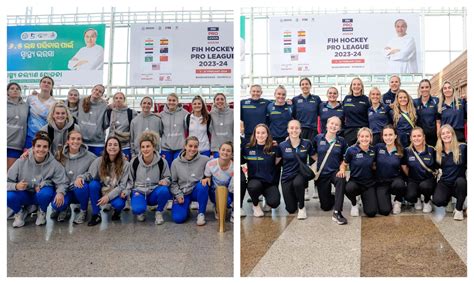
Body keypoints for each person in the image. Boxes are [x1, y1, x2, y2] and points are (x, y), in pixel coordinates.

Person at [7, 131, 68, 228]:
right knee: (8, 195)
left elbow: (62, 182)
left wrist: (60, 192)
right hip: (24, 194)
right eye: (38, 146)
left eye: (45, 147)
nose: (41, 149)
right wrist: (16, 186)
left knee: (47, 192)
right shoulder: (21, 161)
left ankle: (42, 211)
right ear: (33, 147)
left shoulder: (54, 164)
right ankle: (20, 212)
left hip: (41, 195)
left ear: (48, 148)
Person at [79, 136, 131, 226]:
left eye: (115, 145)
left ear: (119, 148)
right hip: (102, 190)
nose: (112, 147)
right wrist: (80, 177)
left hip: (115, 192)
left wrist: (108, 197)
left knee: (119, 204)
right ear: (106, 147)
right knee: (93, 184)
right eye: (110, 145)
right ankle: (96, 214)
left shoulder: (125, 164)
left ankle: (117, 212)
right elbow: (90, 175)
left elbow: (122, 185)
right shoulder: (99, 161)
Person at [277, 120, 317, 220]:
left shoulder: (307, 143)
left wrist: (314, 170)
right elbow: (275, 161)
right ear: (288, 130)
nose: (294, 130)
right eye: (291, 128)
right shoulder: (282, 145)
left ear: (300, 130)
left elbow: (316, 158)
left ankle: (302, 207)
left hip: (301, 173)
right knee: (290, 209)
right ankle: (295, 199)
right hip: (286, 176)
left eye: (296, 128)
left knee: (298, 183)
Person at [129, 131, 172, 224]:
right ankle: (141, 210)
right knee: (137, 209)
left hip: (154, 192)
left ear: (153, 147)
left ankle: (159, 211)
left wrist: (165, 181)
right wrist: (132, 192)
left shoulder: (162, 162)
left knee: (164, 190)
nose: (145, 149)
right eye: (143, 147)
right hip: (139, 191)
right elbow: (130, 179)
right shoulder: (134, 161)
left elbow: (168, 177)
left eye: (148, 146)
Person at [55, 131, 97, 224]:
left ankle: (83, 211)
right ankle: (65, 209)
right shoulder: (59, 155)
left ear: (82, 141)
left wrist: (82, 177)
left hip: (79, 190)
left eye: (78, 139)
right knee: (56, 205)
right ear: (68, 141)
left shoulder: (90, 157)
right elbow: (54, 173)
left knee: (81, 185)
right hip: (65, 189)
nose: (76, 141)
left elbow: (93, 173)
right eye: (73, 139)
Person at [313, 116, 348, 225]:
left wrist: (342, 169)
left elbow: (345, 158)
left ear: (339, 128)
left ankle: (337, 212)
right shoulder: (318, 138)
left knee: (341, 179)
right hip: (322, 174)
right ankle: (333, 197)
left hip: (334, 172)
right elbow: (312, 152)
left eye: (336, 125)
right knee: (325, 206)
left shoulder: (341, 141)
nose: (333, 126)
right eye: (332, 123)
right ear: (327, 125)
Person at [242, 124, 281, 217]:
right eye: (258, 133)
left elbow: (278, 161)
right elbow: (241, 161)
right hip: (255, 181)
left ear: (267, 134)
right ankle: (255, 205)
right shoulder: (247, 148)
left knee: (275, 203)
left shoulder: (273, 147)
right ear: (254, 134)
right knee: (253, 187)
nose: (260, 135)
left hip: (269, 183)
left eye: (263, 133)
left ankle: (267, 199)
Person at [170, 136, 210, 225]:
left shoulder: (205, 160)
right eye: (190, 146)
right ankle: (185, 208)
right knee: (178, 219)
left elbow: (215, 166)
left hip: (196, 191)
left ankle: (201, 213)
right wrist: (178, 194)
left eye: (195, 147)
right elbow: (173, 183)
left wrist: (208, 177)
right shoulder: (175, 163)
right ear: (185, 146)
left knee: (203, 185)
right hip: (183, 193)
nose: (193, 149)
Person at [432, 125, 467, 220]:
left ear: (453, 134)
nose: (446, 135)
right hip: (445, 182)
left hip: (459, 184)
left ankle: (458, 209)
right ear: (440, 137)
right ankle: (448, 199)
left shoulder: (463, 148)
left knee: (461, 182)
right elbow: (435, 168)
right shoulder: (438, 151)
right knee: (437, 201)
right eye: (443, 133)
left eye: (448, 132)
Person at [341, 127, 377, 218]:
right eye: (362, 136)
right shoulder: (351, 150)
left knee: (371, 212)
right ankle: (354, 204)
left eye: (367, 136)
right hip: (355, 182)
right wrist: (342, 171)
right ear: (358, 137)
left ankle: (364, 197)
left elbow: (374, 165)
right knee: (348, 188)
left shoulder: (373, 150)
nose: (364, 139)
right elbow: (344, 164)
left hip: (369, 184)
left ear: (371, 138)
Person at [401, 127, 438, 213]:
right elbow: (404, 166)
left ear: (424, 137)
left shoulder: (431, 150)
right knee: (410, 196)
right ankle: (417, 199)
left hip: (428, 180)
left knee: (425, 186)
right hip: (413, 180)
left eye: (419, 136)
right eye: (414, 136)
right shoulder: (407, 151)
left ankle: (426, 201)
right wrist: (411, 176)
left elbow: (436, 166)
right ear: (410, 138)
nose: (416, 138)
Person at [374, 125, 406, 215]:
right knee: (384, 211)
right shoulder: (378, 148)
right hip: (381, 183)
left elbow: (405, 168)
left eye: (390, 135)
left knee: (400, 184)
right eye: (386, 135)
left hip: (395, 181)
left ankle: (398, 201)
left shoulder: (401, 150)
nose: (388, 137)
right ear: (382, 136)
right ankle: (387, 198)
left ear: (395, 136)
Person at [203, 141, 234, 221]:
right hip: (215, 192)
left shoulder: (234, 166)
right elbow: (208, 178)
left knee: (228, 201)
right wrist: (207, 179)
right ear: (219, 151)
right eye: (223, 150)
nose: (225, 152)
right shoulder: (210, 164)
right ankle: (217, 207)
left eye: (228, 151)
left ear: (232, 154)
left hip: (229, 192)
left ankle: (233, 210)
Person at [77, 84, 108, 156]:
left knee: (96, 165)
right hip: (81, 142)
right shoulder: (81, 101)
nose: (97, 92)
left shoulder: (104, 105)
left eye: (100, 92)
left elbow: (105, 123)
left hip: (97, 143)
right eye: (96, 90)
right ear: (92, 90)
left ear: (102, 95)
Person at [25, 76, 56, 148]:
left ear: (52, 86)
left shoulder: (54, 102)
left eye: (49, 83)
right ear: (40, 84)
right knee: (28, 158)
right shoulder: (31, 98)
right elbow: (25, 115)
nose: (46, 84)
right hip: (30, 136)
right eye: (44, 82)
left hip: (46, 136)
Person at [105, 91, 137, 160]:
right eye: (116, 98)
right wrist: (107, 107)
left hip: (125, 146)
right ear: (113, 100)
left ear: (124, 100)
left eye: (120, 98)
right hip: (112, 146)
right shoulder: (110, 112)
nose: (118, 100)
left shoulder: (131, 113)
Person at [159, 93, 188, 167]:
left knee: (178, 168)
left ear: (177, 102)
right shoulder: (161, 115)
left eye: (174, 100)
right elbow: (160, 130)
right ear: (167, 101)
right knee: (167, 168)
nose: (171, 102)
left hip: (180, 147)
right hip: (166, 148)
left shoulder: (185, 113)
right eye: (169, 100)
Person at [292, 78, 322, 142]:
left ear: (310, 86)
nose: (305, 86)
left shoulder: (316, 98)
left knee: (312, 150)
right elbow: (293, 115)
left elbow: (320, 113)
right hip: (300, 130)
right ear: (300, 86)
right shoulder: (295, 99)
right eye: (302, 84)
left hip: (313, 130)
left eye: (306, 84)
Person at [342, 77, 370, 146]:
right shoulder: (346, 98)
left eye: (358, 84)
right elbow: (342, 114)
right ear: (351, 87)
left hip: (362, 132)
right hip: (349, 132)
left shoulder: (366, 99)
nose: (356, 86)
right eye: (354, 84)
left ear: (362, 87)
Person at [7, 82, 28, 170]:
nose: (15, 90)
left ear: (20, 92)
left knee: (10, 173)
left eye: (17, 89)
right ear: (7, 92)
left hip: (17, 145)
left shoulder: (26, 106)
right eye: (12, 88)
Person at [413, 79, 439, 146]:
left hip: (433, 138)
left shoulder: (436, 101)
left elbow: (438, 120)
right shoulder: (414, 102)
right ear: (419, 89)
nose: (424, 89)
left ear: (430, 88)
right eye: (422, 87)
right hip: (419, 138)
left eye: (427, 87)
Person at [209, 93, 234, 158]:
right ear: (214, 102)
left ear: (225, 101)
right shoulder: (211, 114)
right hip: (217, 148)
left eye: (222, 99)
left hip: (230, 148)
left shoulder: (232, 112)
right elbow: (209, 129)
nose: (220, 101)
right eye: (217, 99)